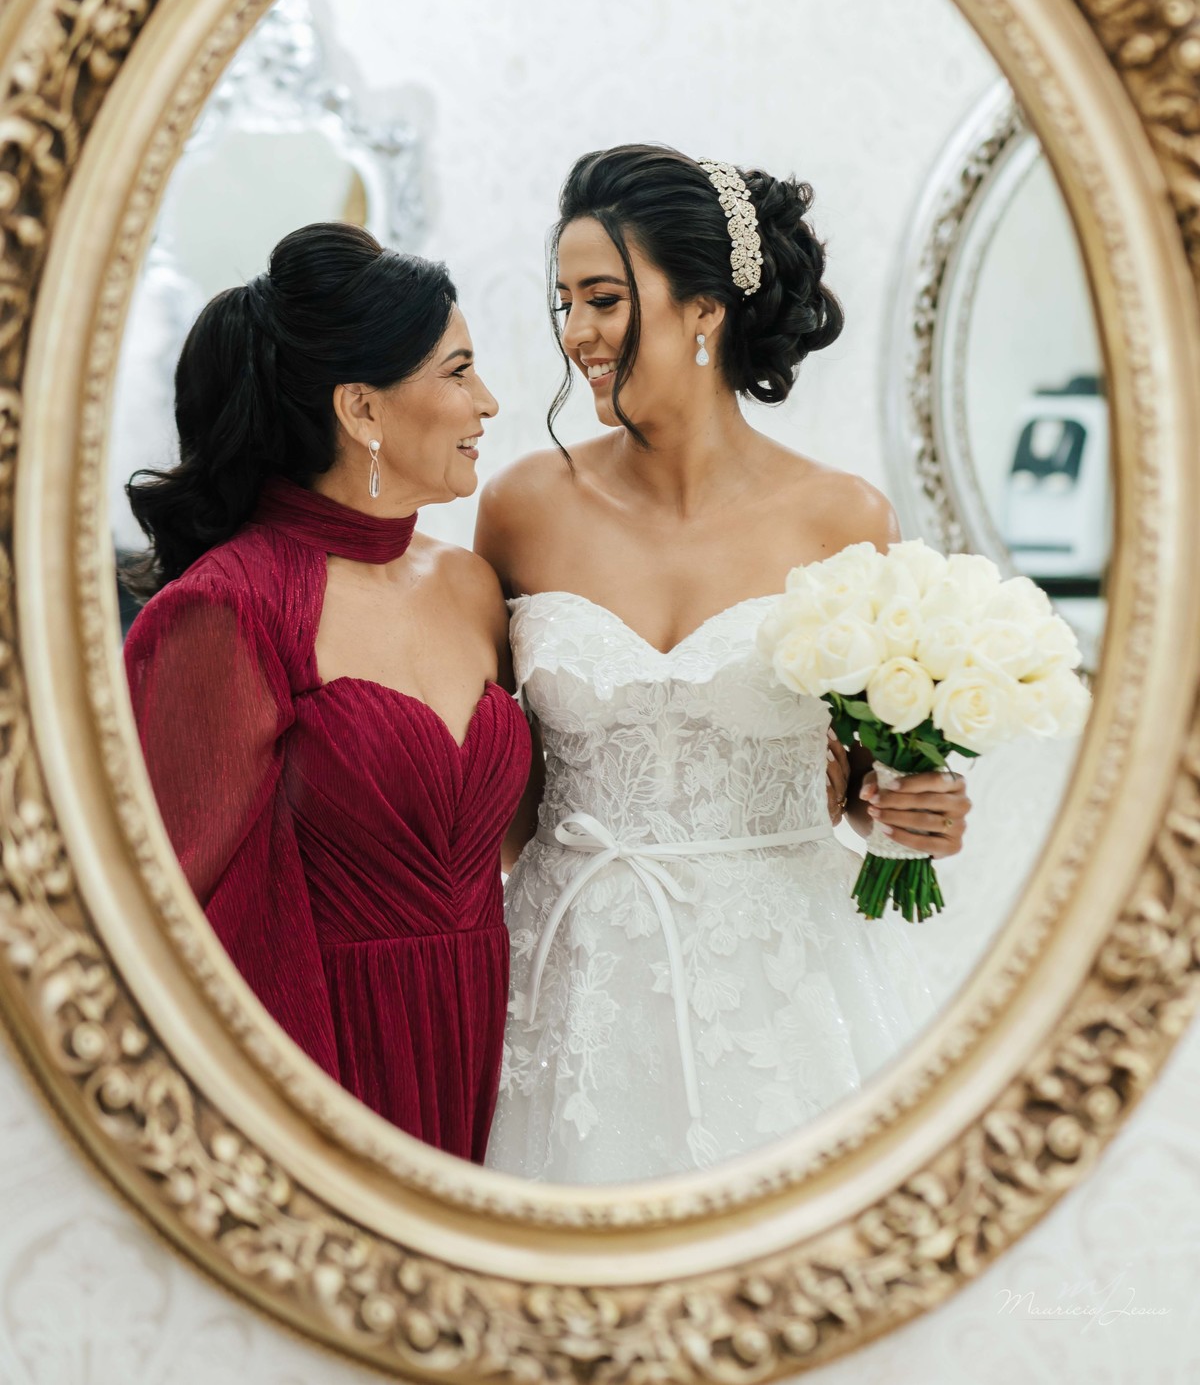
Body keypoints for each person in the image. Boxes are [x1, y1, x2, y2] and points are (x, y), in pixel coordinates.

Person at [476, 145, 972, 1183]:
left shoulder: (844, 517)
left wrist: (909, 809)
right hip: (566, 984)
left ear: (705, 308)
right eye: (565, 303)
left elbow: (869, 783)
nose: (576, 334)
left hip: (782, 982)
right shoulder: (521, 508)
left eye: (604, 299)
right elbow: (504, 795)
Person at [124, 222, 531, 1162]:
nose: (487, 401)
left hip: (497, 1042)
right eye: (458, 370)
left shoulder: (471, 585)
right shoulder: (226, 608)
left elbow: (534, 831)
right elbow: (164, 920)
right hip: (329, 1071)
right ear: (361, 408)